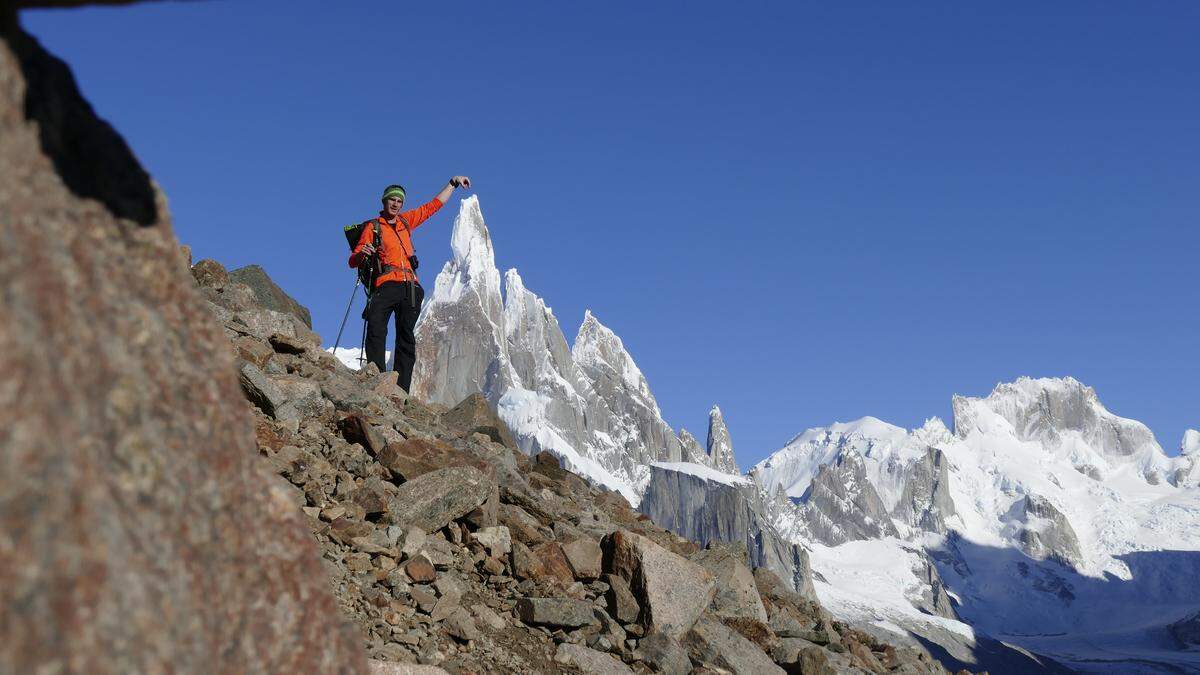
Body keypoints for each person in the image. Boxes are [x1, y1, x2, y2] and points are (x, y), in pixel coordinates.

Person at [349, 176, 472, 390]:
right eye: (392, 200)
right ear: (384, 201)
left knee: (406, 338)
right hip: (386, 284)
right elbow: (353, 260)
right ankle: (377, 380)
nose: (396, 204)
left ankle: (400, 391)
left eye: (399, 201)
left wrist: (452, 184)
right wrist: (362, 254)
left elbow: (433, 206)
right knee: (376, 328)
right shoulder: (373, 227)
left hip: (410, 288)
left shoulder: (406, 222)